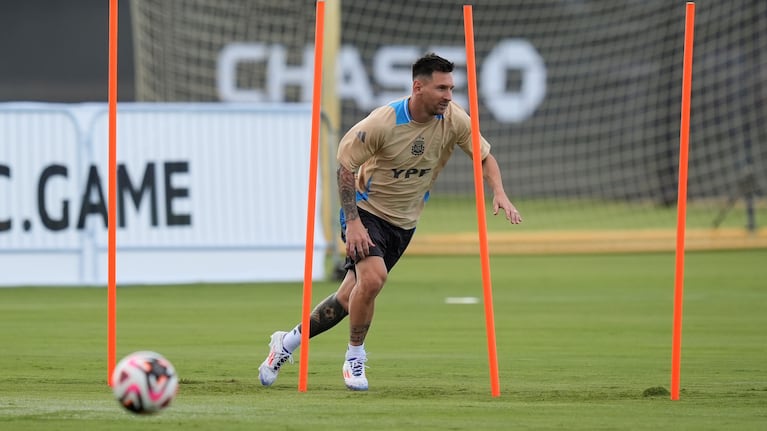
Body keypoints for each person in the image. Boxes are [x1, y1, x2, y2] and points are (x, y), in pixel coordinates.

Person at [258, 53, 522, 391]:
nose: (449, 96)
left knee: (349, 297)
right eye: (442, 88)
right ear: (418, 87)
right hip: (366, 212)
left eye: (451, 88)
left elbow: (484, 157)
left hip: (404, 223)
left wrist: (499, 192)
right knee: (373, 279)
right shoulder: (383, 122)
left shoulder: (455, 120)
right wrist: (352, 222)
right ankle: (354, 357)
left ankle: (286, 343)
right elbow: (345, 167)